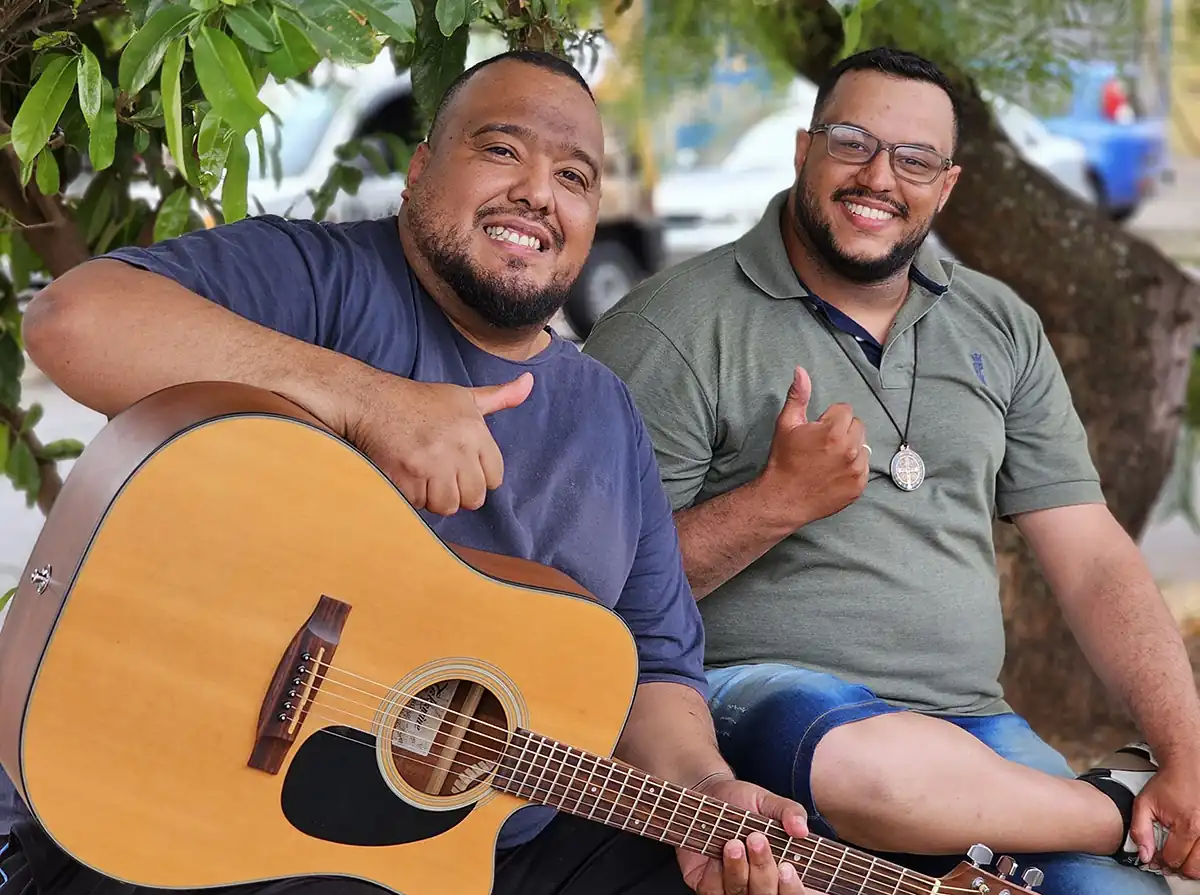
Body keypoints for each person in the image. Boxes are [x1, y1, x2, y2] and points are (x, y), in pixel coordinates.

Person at [0, 50, 817, 895]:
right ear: (419, 168)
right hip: (196, 823)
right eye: (502, 150)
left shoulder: (606, 416)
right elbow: (74, 320)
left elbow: (654, 664)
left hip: (475, 844)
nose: (539, 192)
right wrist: (365, 400)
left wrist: (707, 795)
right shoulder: (318, 281)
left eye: (574, 175)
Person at [583, 45, 1200, 895]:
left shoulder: (999, 324)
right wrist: (775, 503)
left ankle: (1119, 830)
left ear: (945, 186)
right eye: (852, 143)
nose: (880, 176)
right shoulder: (674, 328)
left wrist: (1188, 753)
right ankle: (1118, 811)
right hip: (757, 709)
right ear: (803, 150)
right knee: (859, 760)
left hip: (970, 729)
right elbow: (594, 596)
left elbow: (1093, 557)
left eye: (914, 159)